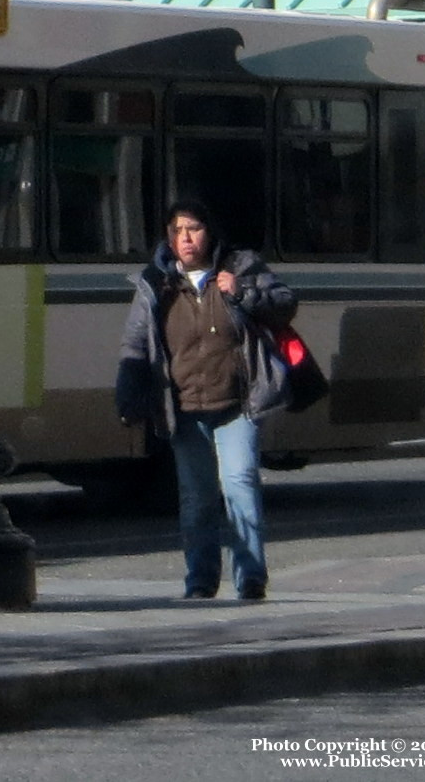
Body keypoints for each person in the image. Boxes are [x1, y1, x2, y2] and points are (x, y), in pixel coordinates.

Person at [116, 199, 298, 602]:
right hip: (183, 407)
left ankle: (250, 578)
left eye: (194, 229)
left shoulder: (241, 267)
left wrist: (244, 293)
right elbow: (135, 343)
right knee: (196, 498)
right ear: (168, 235)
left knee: (240, 485)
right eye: (177, 230)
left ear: (209, 232)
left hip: (237, 403)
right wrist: (128, 395)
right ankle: (200, 580)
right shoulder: (155, 284)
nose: (185, 238)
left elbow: (285, 304)